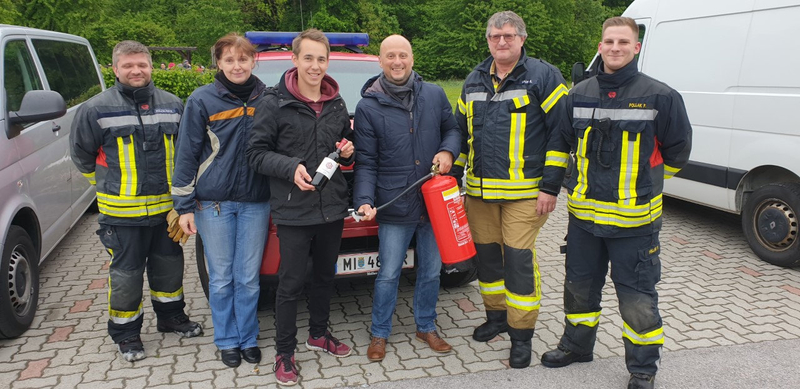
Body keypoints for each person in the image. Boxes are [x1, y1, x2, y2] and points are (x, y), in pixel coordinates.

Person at [540, 17, 692, 389]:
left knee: (637, 298)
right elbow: (560, 145)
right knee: (578, 288)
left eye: (623, 42)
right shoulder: (579, 93)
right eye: (609, 41)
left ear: (636, 47)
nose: (615, 47)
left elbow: (678, 152)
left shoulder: (661, 96)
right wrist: (551, 187)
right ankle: (576, 346)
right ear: (600, 46)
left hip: (635, 222)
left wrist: (646, 182)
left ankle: (643, 368)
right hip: (584, 220)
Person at [450, 10, 570, 369]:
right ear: (487, 40)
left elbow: (560, 134)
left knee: (517, 262)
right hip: (480, 196)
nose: (501, 41)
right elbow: (460, 136)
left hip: (525, 195)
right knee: (487, 259)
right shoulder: (473, 80)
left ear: (522, 38)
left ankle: (522, 336)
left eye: (508, 35)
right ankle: (496, 317)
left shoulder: (544, 76)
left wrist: (550, 187)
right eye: (494, 36)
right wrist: (453, 178)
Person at [70, 40, 202, 363]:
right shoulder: (95, 109)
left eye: (141, 64)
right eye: (128, 65)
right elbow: (82, 157)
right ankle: (126, 333)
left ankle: (171, 317)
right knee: (126, 275)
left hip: (166, 212)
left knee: (169, 267)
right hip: (120, 215)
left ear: (151, 66)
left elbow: (187, 154)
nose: (136, 70)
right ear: (115, 69)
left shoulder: (173, 104)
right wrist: (106, 190)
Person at [247, 29, 354, 386]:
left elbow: (343, 144)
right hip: (294, 210)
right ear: (294, 59)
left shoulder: (337, 102)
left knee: (325, 278)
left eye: (321, 59)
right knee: (290, 284)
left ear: (328, 61)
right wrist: (289, 167)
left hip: (332, 207)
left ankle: (318, 335)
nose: (315, 65)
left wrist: (347, 148)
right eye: (308, 58)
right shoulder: (273, 101)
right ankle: (285, 352)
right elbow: (256, 154)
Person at [353, 35, 461, 362]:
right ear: (381, 61)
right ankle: (379, 333)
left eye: (403, 55)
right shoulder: (368, 105)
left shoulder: (435, 94)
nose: (397, 61)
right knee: (388, 273)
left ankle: (426, 325)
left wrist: (447, 151)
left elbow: (453, 131)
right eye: (390, 56)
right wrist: (364, 199)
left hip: (433, 204)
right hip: (394, 202)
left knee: (430, 271)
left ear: (412, 58)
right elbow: (366, 161)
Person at [171, 33, 271, 368]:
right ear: (218, 63)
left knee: (248, 277)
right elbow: (185, 155)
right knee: (223, 276)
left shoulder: (268, 98)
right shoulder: (201, 101)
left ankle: (248, 337)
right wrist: (182, 206)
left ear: (253, 60)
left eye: (243, 59)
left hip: (256, 201)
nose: (237, 65)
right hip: (212, 204)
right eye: (229, 60)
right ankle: (227, 340)